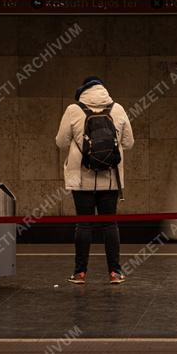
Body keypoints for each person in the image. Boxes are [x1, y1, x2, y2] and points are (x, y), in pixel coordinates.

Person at [55, 77, 135, 285]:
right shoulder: (117, 109)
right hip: (110, 179)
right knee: (110, 224)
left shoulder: (73, 110)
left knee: (83, 224)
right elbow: (129, 142)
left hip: (81, 179)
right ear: (103, 89)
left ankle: (79, 273)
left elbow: (61, 142)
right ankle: (115, 273)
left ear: (82, 91)